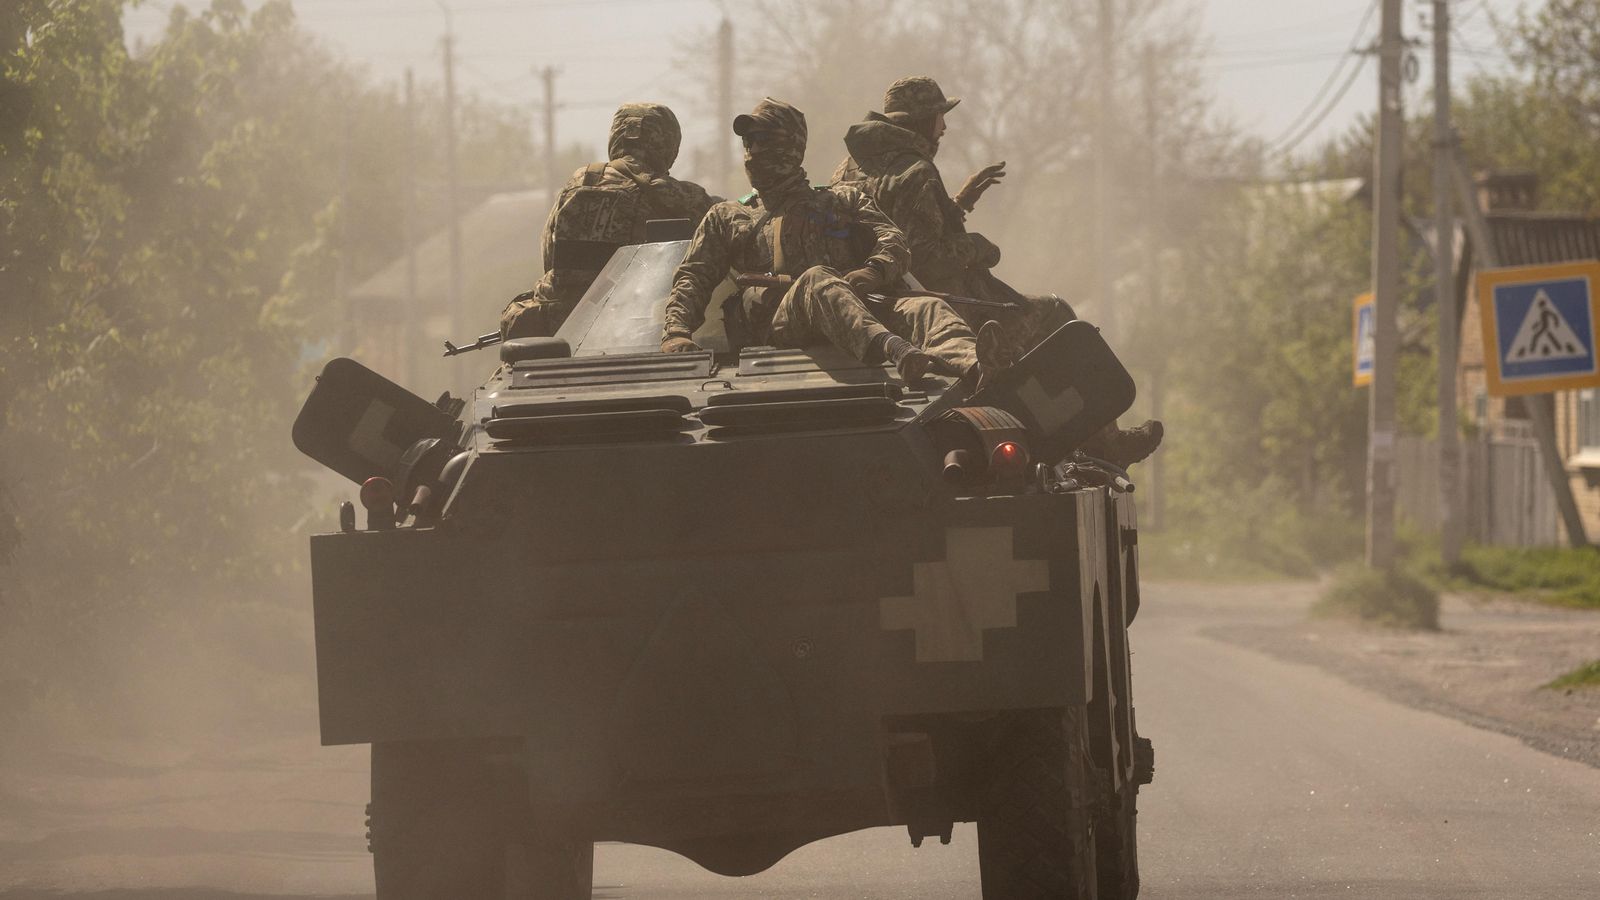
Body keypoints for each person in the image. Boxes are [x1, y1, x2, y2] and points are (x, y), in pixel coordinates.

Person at [832, 76, 1162, 466]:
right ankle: (1106, 443)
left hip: (875, 301)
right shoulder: (916, 171)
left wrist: (958, 205)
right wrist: (979, 248)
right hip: (938, 308)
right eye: (939, 117)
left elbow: (893, 228)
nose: (944, 128)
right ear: (922, 121)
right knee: (1055, 317)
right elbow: (925, 260)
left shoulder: (850, 167)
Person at [661, 98, 995, 385]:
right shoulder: (728, 215)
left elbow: (893, 239)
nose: (754, 151)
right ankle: (895, 351)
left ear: (792, 146)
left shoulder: (841, 200)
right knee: (818, 279)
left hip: (854, 310)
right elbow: (694, 276)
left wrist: (874, 271)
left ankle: (979, 367)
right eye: (749, 142)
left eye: (765, 140)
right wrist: (677, 332)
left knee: (926, 308)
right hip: (777, 325)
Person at [501, 102, 721, 339]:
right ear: (668, 145)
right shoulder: (686, 198)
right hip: (641, 330)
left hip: (563, 326)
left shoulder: (582, 180)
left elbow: (549, 253)